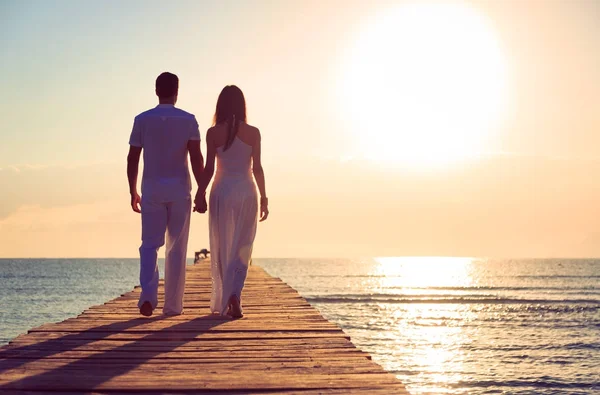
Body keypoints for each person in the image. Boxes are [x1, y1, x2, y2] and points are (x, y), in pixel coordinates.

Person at [127, 72, 205, 317]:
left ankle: (148, 297)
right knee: (177, 248)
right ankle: (172, 306)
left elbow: (133, 158)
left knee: (149, 245)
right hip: (180, 190)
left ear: (156, 91)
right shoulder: (188, 120)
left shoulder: (142, 120)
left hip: (151, 189)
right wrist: (202, 189)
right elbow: (196, 158)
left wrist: (132, 190)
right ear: (177, 92)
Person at [194, 85, 268, 318]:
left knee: (222, 245)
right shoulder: (254, 132)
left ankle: (228, 296)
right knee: (243, 246)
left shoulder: (213, 132)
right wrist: (265, 198)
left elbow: (209, 168)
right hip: (246, 191)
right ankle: (235, 293)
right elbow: (257, 168)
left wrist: (200, 192)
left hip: (222, 191)